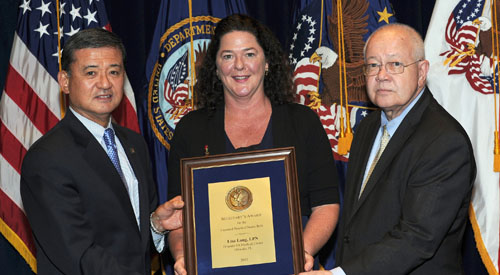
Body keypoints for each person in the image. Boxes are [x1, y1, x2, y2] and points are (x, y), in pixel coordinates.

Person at [167, 14, 340, 274]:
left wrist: (299, 252)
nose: (239, 65)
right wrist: (182, 255)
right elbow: (178, 217)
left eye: (249, 54)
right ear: (215, 67)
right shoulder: (190, 129)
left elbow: (326, 204)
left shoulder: (303, 122)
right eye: (227, 56)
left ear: (267, 61)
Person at [300, 23, 476, 275]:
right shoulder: (367, 128)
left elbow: (416, 238)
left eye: (395, 64)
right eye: (373, 65)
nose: (381, 75)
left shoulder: (445, 141)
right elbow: (355, 225)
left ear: (422, 71)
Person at [20, 28, 184, 275]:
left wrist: (156, 225)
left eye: (114, 72)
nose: (105, 83)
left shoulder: (134, 144)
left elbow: (128, 241)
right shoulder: (46, 158)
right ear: (65, 81)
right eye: (91, 73)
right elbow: (80, 255)